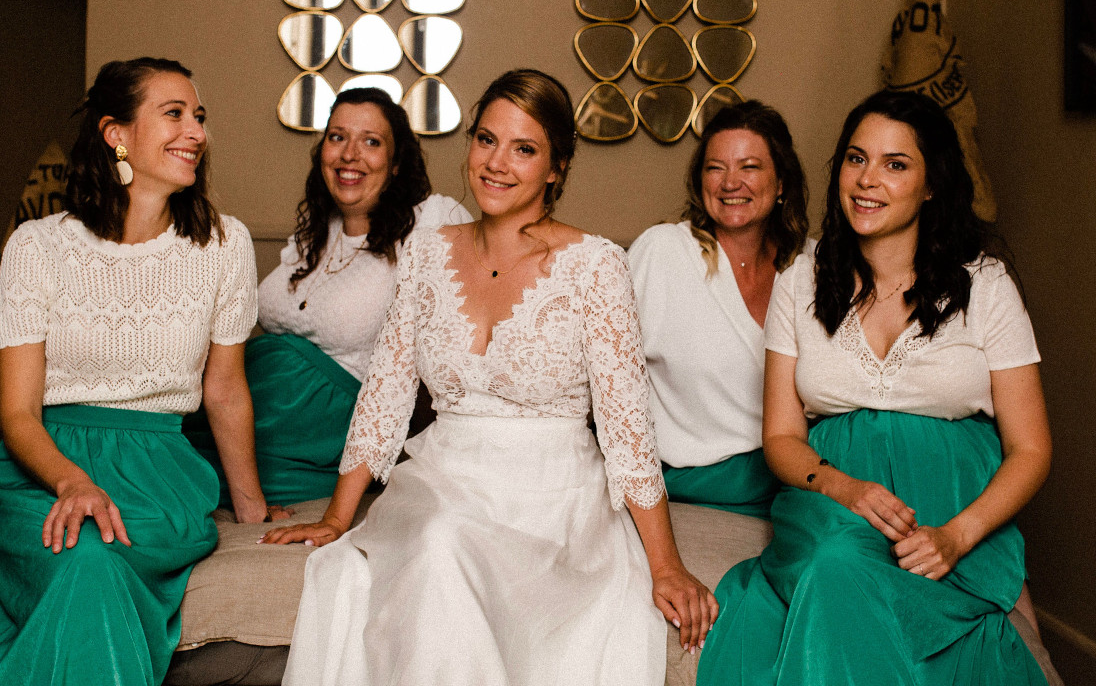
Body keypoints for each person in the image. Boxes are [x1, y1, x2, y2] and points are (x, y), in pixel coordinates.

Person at [262, 69, 716, 685]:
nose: (497, 163)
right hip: (443, 480)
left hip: (553, 497)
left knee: (452, 552)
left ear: (555, 167)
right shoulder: (425, 252)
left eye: (523, 149)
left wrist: (665, 566)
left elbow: (628, 433)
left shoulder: (597, 265)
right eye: (485, 140)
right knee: (437, 544)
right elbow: (385, 397)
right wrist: (339, 520)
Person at [0, 57, 273, 686]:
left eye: (199, 117)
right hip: (41, 468)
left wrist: (252, 506)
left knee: (92, 561)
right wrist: (72, 484)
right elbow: (17, 412)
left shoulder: (223, 245)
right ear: (116, 134)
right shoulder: (38, 247)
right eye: (174, 114)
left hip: (158, 477)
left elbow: (225, 388)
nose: (196, 132)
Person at [697, 90, 1051, 685]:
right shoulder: (800, 282)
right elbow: (782, 437)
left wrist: (956, 537)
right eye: (856, 159)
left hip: (947, 507)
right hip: (830, 501)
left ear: (931, 183)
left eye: (895, 164)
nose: (867, 180)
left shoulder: (985, 286)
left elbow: (1032, 449)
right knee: (834, 566)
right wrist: (843, 488)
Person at [184, 87, 469, 508]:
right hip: (252, 403)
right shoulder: (314, 234)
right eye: (337, 137)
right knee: (161, 446)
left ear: (395, 165)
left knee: (187, 477)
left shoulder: (431, 221)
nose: (349, 154)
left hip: (323, 429)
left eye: (371, 141)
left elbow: (469, 331)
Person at [628, 101, 808, 519]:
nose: (730, 183)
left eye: (749, 167)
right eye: (715, 168)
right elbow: (599, 378)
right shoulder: (663, 252)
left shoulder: (812, 266)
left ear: (781, 183)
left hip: (795, 474)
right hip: (692, 480)